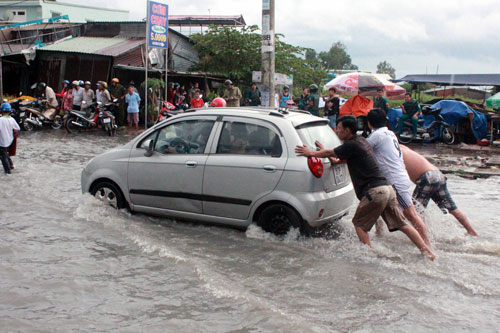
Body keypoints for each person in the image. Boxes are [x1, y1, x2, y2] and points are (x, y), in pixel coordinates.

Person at [295, 115, 435, 260]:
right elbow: (337, 161)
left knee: (359, 224)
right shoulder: (361, 142)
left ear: (347, 130)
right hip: (388, 189)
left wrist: (311, 153)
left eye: (339, 129)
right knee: (402, 224)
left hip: (375, 192)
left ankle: (370, 257)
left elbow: (332, 153)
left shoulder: (351, 145)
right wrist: (323, 150)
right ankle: (427, 251)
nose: (336, 131)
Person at [366, 108, 432, 246]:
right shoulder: (390, 133)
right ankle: (379, 234)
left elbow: (360, 150)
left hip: (394, 181)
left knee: (411, 214)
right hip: (399, 177)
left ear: (369, 123)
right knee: (379, 207)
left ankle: (426, 244)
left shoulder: (376, 136)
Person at [400, 145, 479, 236]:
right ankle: (472, 231)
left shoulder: (394, 151)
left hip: (428, 177)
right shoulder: (403, 147)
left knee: (415, 212)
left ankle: (424, 238)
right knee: (453, 208)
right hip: (438, 174)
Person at [0, 103, 20, 175]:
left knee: (3, 156)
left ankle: (8, 172)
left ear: (1, 111)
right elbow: (17, 128)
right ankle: (11, 165)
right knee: (5, 153)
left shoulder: (0, 120)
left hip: (2, 141)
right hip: (9, 140)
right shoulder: (12, 119)